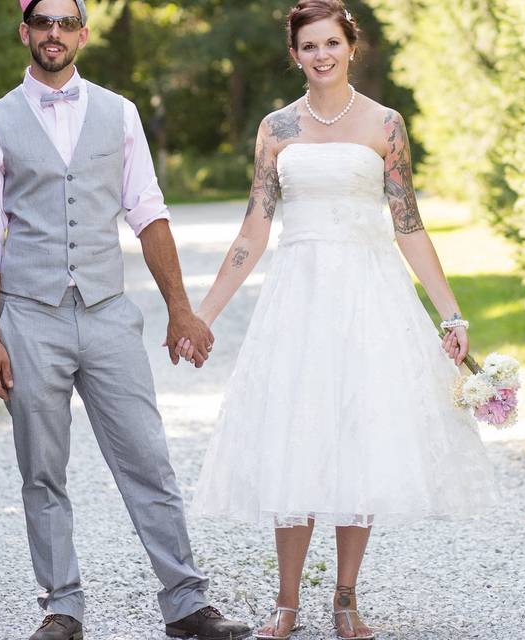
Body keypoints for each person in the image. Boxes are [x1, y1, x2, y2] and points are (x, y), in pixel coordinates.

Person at [179, 2, 499, 638]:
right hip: (297, 298)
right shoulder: (276, 128)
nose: (321, 54)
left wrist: (451, 313)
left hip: (368, 296)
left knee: (362, 435)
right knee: (292, 434)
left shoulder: (385, 125)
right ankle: (287, 602)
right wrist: (202, 315)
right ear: (294, 53)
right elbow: (254, 227)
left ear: (352, 47)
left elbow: (408, 225)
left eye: (331, 42)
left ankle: (346, 598)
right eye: (308, 45)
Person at [0, 1, 251, 639]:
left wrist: (180, 307)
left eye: (66, 24)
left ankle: (186, 603)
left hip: (108, 313)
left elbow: (146, 209)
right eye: (44, 24)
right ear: (26, 33)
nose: (54, 34)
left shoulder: (119, 114)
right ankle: (62, 607)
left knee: (148, 459)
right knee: (42, 468)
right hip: (29, 319)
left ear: (83, 35)